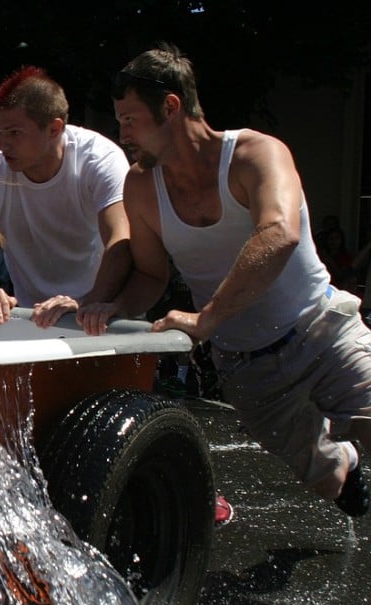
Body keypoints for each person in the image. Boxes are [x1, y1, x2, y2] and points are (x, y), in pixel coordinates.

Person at [80, 42, 371, 518]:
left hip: (320, 330)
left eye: (130, 119)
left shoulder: (255, 154)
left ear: (171, 107)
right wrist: (114, 306)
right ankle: (340, 461)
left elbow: (278, 234)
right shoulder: (140, 186)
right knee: (329, 482)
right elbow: (152, 275)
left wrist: (207, 317)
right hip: (247, 364)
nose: (122, 132)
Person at [0, 66, 132, 328]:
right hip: (32, 318)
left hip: (102, 314)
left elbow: (121, 241)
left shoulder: (99, 158)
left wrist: (87, 306)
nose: (2, 145)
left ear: (54, 128)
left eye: (15, 133)